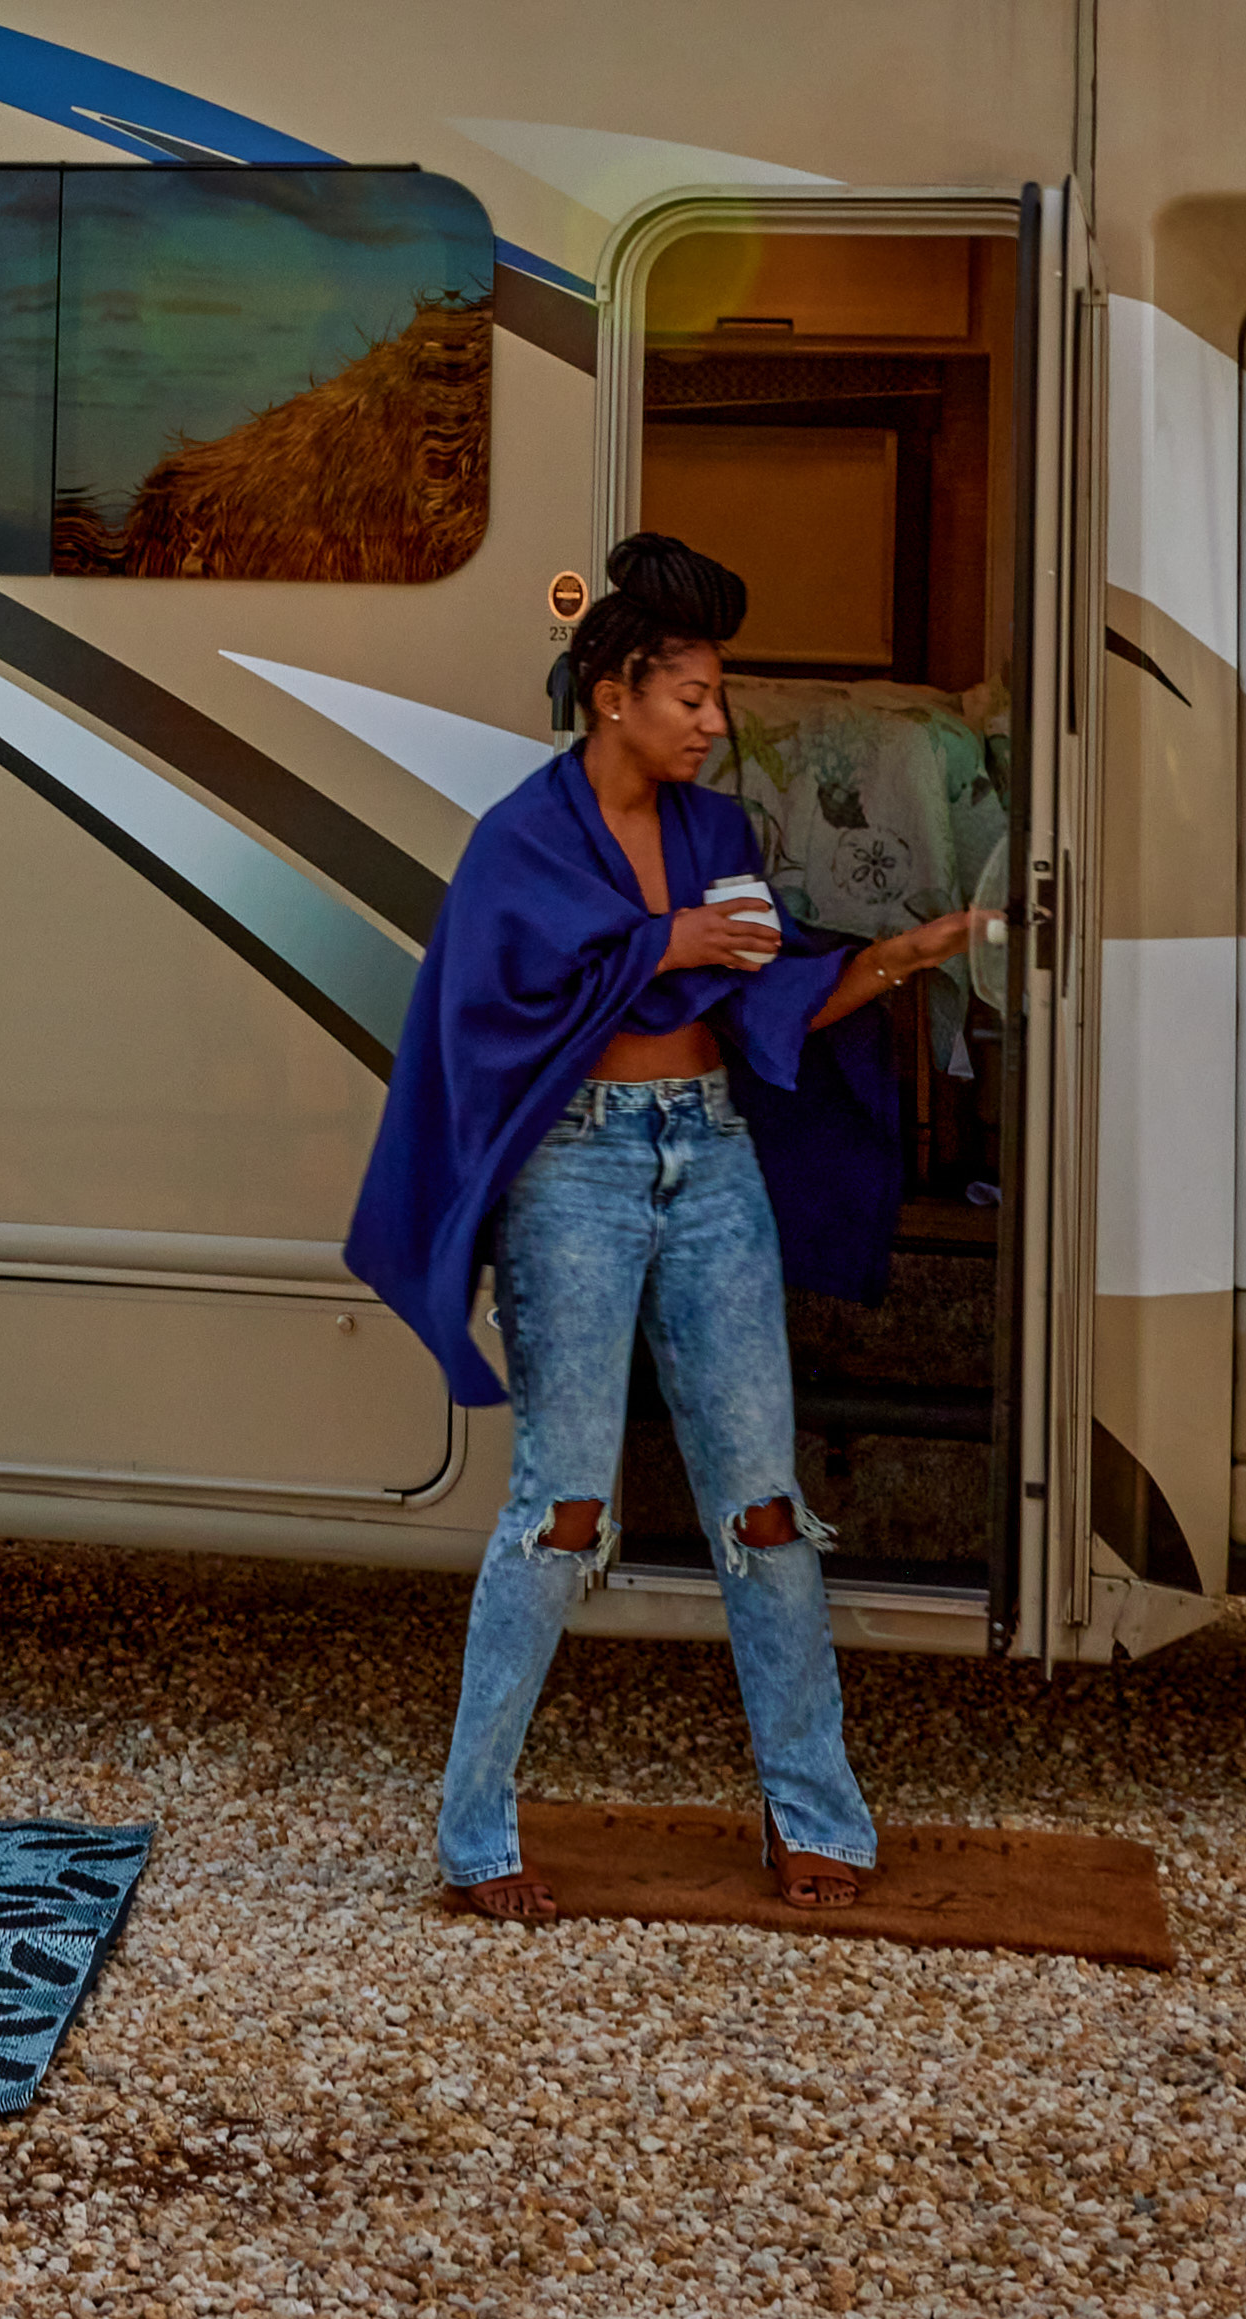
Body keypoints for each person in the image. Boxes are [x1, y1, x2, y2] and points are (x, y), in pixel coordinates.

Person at [339, 529, 995, 1917]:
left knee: (763, 1508)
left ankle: (813, 1811)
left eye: (718, 697)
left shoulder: (718, 833)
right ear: (615, 691)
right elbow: (490, 1015)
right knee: (560, 1507)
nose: (715, 721)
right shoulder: (523, 837)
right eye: (691, 695)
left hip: (712, 1166)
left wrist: (888, 959)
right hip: (574, 1173)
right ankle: (473, 1834)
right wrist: (663, 945)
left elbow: (761, 1002)